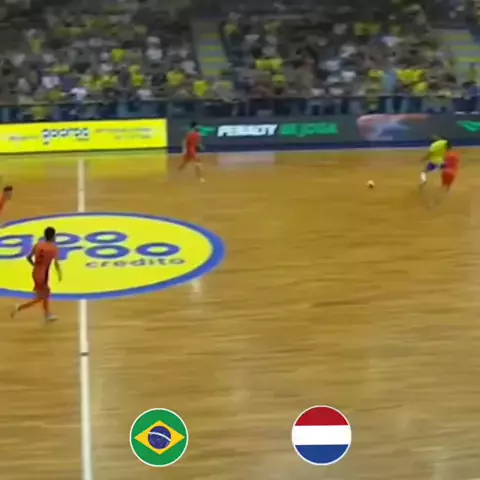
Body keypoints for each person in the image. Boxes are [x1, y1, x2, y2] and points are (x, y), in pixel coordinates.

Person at [11, 226, 62, 322]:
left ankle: (47, 315)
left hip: (36, 272)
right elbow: (56, 263)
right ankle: (19, 307)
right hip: (42, 275)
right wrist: (59, 273)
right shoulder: (54, 248)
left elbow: (28, 258)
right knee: (41, 297)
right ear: (53, 236)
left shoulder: (38, 245)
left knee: (45, 294)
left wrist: (35, 265)